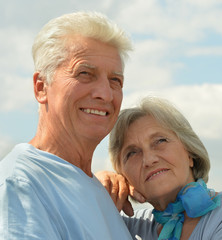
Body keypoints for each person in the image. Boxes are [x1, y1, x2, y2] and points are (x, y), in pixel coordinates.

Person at [0, 11, 136, 239]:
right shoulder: (20, 187)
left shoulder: (102, 192)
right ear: (41, 87)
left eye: (115, 80)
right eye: (84, 73)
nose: (105, 94)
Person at [101, 96, 222, 240]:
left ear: (190, 153)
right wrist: (96, 187)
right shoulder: (126, 226)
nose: (149, 160)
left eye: (160, 141)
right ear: (123, 174)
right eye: (132, 153)